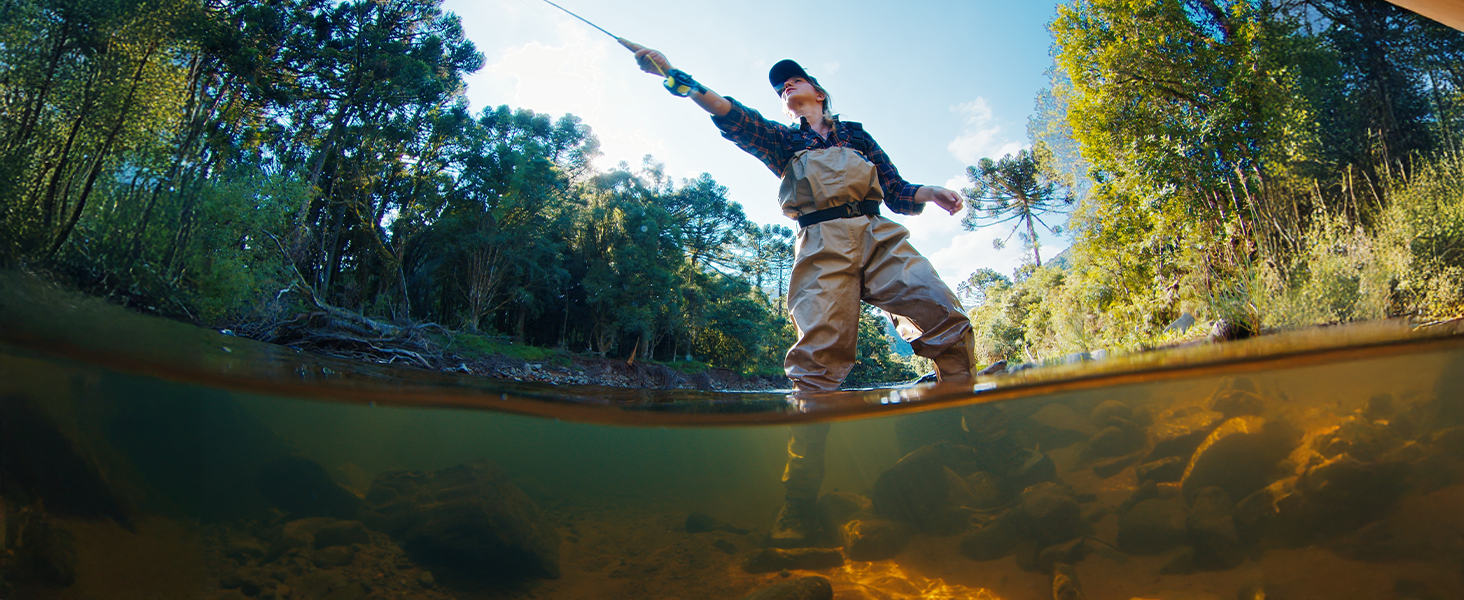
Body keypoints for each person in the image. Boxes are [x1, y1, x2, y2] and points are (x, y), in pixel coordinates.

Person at [631, 48, 977, 547]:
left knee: (946, 317)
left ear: (818, 90)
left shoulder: (856, 135)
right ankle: (797, 503)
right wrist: (673, 75)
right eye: (780, 87)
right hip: (820, 245)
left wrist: (931, 192)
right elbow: (731, 115)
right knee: (814, 367)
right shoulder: (781, 140)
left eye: (794, 80)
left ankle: (961, 440)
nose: (786, 87)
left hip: (879, 234)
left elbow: (897, 189)